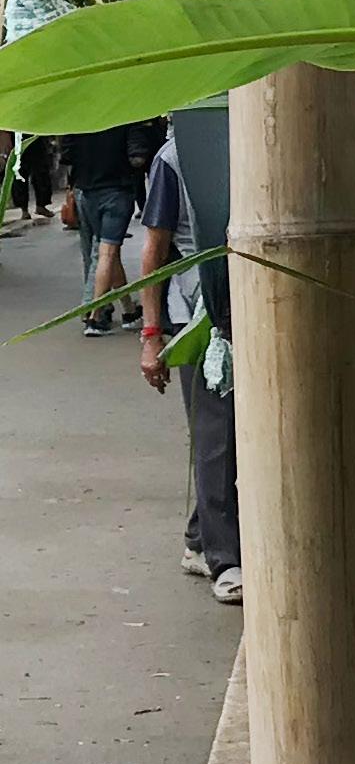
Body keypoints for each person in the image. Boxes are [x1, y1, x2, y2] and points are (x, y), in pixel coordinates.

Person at [139, 122, 242, 605]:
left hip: (248, 305)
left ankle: (200, 540)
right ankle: (225, 560)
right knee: (216, 438)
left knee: (233, 435)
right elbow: (155, 251)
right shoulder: (174, 158)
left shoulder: (247, 142)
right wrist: (151, 335)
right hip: (198, 316)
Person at [57, 125, 144, 333]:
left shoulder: (80, 119)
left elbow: (67, 155)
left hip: (87, 193)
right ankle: (95, 317)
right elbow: (138, 157)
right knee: (107, 253)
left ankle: (129, 310)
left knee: (110, 253)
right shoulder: (126, 119)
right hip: (117, 191)